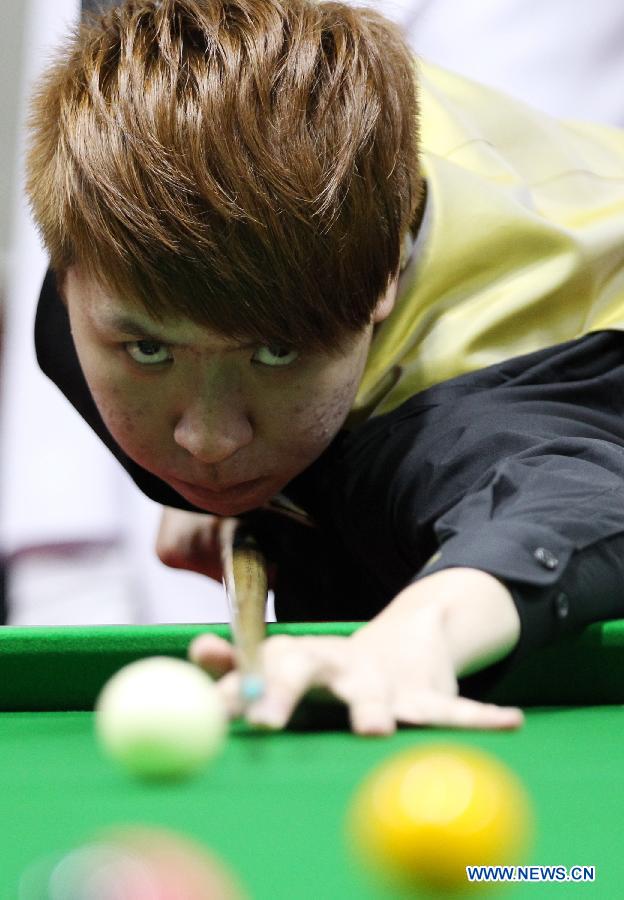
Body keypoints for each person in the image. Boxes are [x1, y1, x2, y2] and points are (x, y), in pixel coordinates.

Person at [27, 0, 624, 733]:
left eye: (275, 352)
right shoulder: (112, 239)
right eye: (151, 351)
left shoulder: (454, 406)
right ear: (63, 271)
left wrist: (415, 634)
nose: (207, 440)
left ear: (381, 289)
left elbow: (573, 501)